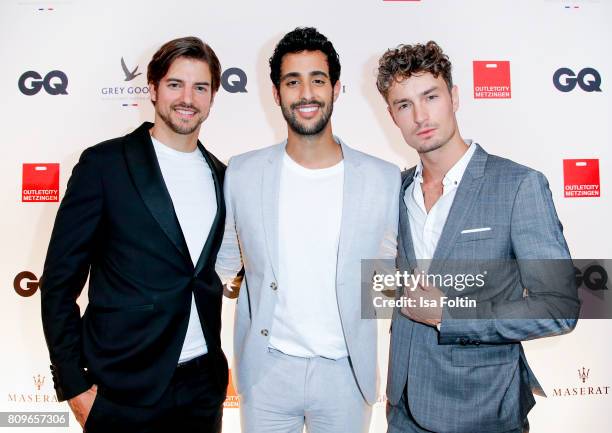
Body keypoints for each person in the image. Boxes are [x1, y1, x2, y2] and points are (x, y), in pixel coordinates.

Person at [376, 41, 580, 433]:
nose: (420, 116)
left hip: (481, 407)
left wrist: (449, 316)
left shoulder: (518, 186)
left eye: (430, 97)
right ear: (392, 115)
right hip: (402, 404)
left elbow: (559, 307)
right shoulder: (396, 190)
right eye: (404, 105)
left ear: (454, 97)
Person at [215, 27, 400, 433]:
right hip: (267, 372)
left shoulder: (383, 179)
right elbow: (221, 267)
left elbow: (390, 278)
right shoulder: (243, 172)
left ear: (336, 88)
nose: (306, 93)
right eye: (292, 81)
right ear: (277, 93)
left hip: (347, 376)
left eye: (317, 80)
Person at [40, 36, 228, 433]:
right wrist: (74, 385)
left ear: (212, 97)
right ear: (153, 88)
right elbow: (58, 283)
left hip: (202, 388)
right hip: (121, 389)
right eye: (176, 84)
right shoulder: (104, 165)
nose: (187, 98)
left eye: (201, 87)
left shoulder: (223, 175)